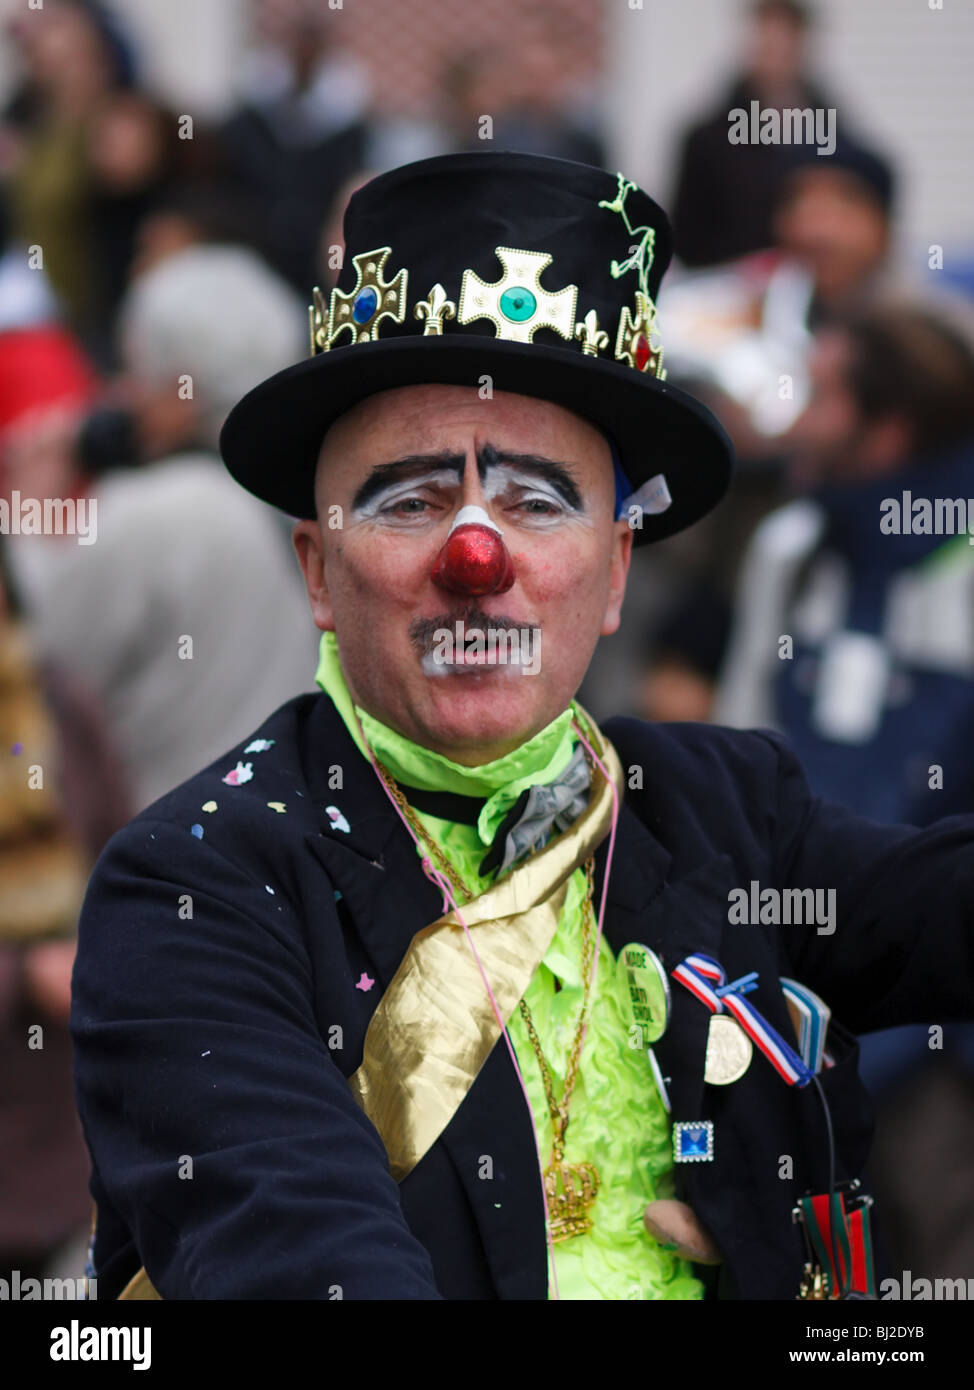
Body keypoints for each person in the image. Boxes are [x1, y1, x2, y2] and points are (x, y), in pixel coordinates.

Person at [72, 152, 974, 1301]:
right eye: (408, 499)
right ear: (317, 570)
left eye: (537, 500)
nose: (474, 560)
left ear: (611, 573)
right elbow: (299, 1256)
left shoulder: (726, 812)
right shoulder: (197, 883)